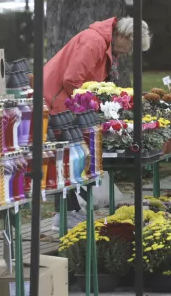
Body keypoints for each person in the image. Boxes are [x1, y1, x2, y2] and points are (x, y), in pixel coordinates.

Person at [43, 16, 151, 225]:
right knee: (67, 156)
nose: (129, 52)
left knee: (72, 156)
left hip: (66, 103)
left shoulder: (105, 44)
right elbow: (72, 79)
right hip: (57, 101)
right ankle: (63, 215)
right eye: (131, 46)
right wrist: (92, 106)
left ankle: (71, 210)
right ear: (123, 35)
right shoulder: (94, 42)